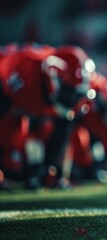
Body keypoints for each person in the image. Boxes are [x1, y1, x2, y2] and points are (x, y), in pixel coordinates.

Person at [0, 44, 94, 189]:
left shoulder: (77, 89)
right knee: (12, 166)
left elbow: (63, 131)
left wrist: (47, 169)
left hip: (26, 108)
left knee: (20, 168)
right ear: (53, 78)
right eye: (68, 91)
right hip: (9, 101)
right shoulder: (25, 71)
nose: (72, 98)